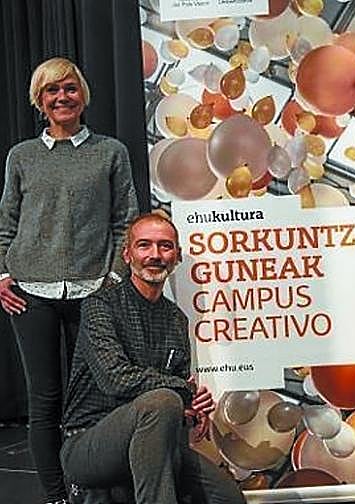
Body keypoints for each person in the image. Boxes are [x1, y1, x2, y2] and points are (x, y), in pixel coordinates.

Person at [0, 57, 137, 504]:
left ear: (83, 95)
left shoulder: (111, 152)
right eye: (52, 91)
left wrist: (114, 279)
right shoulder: (21, 156)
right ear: (39, 101)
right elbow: (6, 223)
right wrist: (3, 273)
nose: (62, 97)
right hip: (30, 294)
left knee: (95, 397)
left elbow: (126, 221)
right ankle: (57, 496)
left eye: (70, 88)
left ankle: (94, 490)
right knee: (45, 401)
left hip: (92, 292)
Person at [60, 213, 246, 504]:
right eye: (144, 245)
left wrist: (191, 410)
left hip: (153, 439)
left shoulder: (177, 319)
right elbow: (115, 380)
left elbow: (175, 396)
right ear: (128, 255)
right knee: (163, 400)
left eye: (165, 246)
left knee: (227, 497)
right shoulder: (100, 306)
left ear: (177, 257)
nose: (155, 255)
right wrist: (182, 391)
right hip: (88, 442)